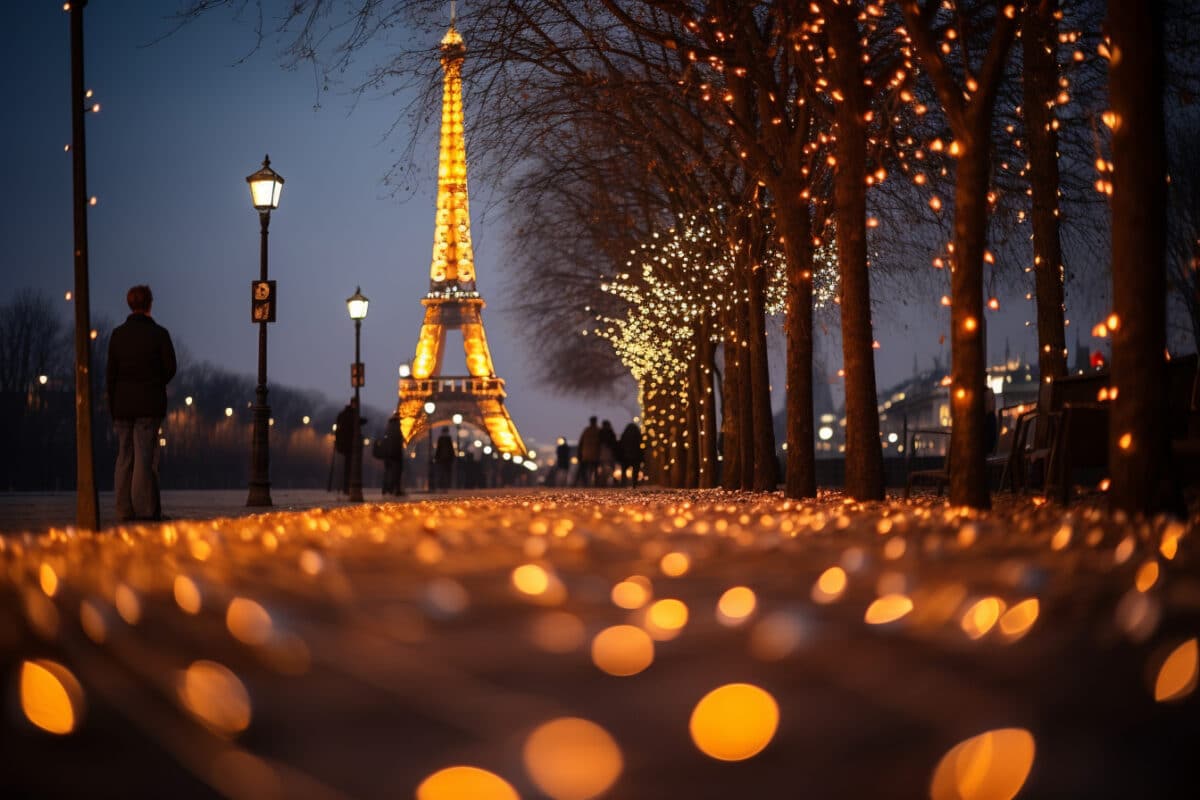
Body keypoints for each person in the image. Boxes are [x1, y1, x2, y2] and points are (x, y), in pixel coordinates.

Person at [106, 285, 176, 522]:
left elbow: (110, 374)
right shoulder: (159, 334)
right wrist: (155, 382)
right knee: (144, 456)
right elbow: (170, 368)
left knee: (124, 456)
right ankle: (146, 509)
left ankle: (123, 509)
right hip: (148, 404)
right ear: (149, 304)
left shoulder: (117, 335)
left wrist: (114, 404)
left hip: (122, 406)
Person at [334, 399, 365, 494]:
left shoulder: (343, 414)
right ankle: (348, 488)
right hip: (350, 444)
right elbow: (351, 425)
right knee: (350, 467)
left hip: (344, 444)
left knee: (348, 467)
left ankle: (346, 487)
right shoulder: (352, 415)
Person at [374, 413, 406, 496]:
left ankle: (386, 489)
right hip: (395, 454)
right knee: (396, 473)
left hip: (387, 454)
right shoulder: (396, 427)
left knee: (388, 472)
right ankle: (395, 490)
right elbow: (397, 443)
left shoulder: (388, 427)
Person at [575, 416, 600, 487]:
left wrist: (579, 453)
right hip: (595, 454)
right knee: (595, 470)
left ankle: (585, 483)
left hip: (586, 454)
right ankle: (595, 484)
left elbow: (580, 442)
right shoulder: (598, 430)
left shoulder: (586, 430)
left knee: (583, 470)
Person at [619, 421, 643, 487]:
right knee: (635, 470)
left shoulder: (625, 435)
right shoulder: (637, 435)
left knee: (624, 470)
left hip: (626, 455)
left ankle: (624, 483)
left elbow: (621, 445)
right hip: (635, 455)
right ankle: (634, 483)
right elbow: (641, 444)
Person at [598, 420, 619, 487]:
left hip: (603, 452)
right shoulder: (611, 433)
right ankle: (611, 482)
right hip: (609, 452)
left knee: (604, 468)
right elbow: (614, 443)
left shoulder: (600, 433)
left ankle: (603, 482)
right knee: (611, 468)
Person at [434, 426, 456, 490]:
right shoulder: (448, 438)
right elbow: (451, 449)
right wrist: (453, 457)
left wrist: (436, 457)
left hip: (441, 458)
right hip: (448, 458)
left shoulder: (440, 439)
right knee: (447, 472)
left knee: (441, 472)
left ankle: (441, 485)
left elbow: (438, 449)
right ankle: (446, 485)